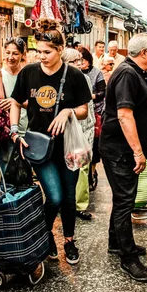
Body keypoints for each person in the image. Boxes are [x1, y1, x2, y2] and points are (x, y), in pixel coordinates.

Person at [10, 20, 92, 265]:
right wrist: (15, 130)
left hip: (68, 146)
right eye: (38, 52)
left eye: (47, 52)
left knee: (68, 197)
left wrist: (67, 112)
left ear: (59, 50)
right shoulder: (28, 73)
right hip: (39, 147)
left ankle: (68, 239)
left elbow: (84, 110)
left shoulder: (74, 75)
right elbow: (16, 101)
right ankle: (44, 234)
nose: (41, 56)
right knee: (54, 197)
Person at [100, 33, 147, 283]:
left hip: (120, 149)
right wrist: (137, 151)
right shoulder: (127, 73)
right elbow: (124, 115)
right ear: (144, 53)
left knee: (122, 198)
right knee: (125, 202)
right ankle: (128, 258)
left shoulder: (133, 71)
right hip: (120, 151)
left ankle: (116, 243)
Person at [61, 48, 95, 221]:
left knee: (82, 167)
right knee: (67, 166)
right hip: (65, 129)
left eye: (79, 61)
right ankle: (67, 202)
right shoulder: (59, 80)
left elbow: (87, 109)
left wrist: (89, 129)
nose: (79, 65)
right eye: (74, 61)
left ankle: (79, 205)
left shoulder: (84, 78)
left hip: (83, 128)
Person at [0, 37, 28, 174]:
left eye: (15, 53)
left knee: (25, 170)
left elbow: (33, 103)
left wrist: (14, 101)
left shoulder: (27, 74)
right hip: (5, 130)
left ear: (23, 54)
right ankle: (7, 195)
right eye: (8, 53)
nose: (10, 57)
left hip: (27, 127)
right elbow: (0, 102)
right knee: (6, 170)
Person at [79, 47, 106, 191]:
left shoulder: (96, 73)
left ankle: (92, 171)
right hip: (79, 118)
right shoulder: (73, 74)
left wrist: (90, 96)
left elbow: (102, 92)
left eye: (82, 60)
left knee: (94, 146)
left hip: (95, 113)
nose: (80, 63)